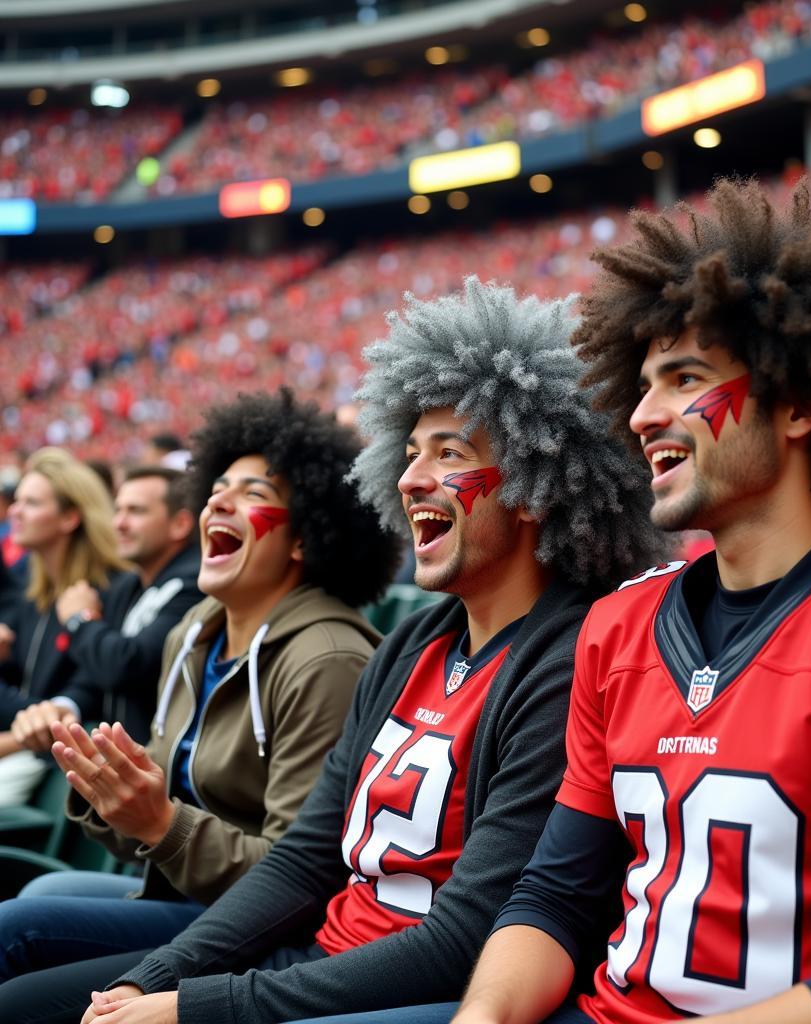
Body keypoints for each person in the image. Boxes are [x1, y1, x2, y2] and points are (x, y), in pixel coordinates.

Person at [351, 181, 811, 1024]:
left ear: (803, 402)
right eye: (642, 383)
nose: (641, 416)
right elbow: (555, 899)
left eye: (684, 378)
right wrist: (480, 1018)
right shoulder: (620, 624)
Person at [41, 277, 663, 1024]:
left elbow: (466, 938)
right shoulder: (412, 645)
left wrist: (202, 1005)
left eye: (449, 452)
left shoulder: (566, 661)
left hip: (417, 992)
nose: (409, 477)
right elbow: (304, 860)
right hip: (318, 959)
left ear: (532, 484)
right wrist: (158, 976)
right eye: (407, 453)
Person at [0, 389, 399, 1017]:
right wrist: (106, 786)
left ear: (305, 538)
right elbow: (151, 833)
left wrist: (159, 822)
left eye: (253, 495)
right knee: (42, 892)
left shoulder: (327, 659)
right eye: (218, 486)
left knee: (16, 937)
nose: (217, 499)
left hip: (269, 933)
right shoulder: (196, 631)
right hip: (185, 896)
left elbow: (302, 878)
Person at [10, 466, 203, 751]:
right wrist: (66, 706)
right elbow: (95, 676)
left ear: (180, 524)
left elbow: (128, 666)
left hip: (161, 771)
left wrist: (79, 620)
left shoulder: (194, 582)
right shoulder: (131, 585)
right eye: (118, 510)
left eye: (136, 511)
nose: (119, 523)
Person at [0, 448, 129, 805]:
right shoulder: (29, 582)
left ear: (70, 517)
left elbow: (86, 695)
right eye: (17, 500)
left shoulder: (109, 589)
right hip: (26, 749)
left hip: (56, 768)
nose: (15, 511)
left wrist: (20, 736)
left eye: (31, 503)